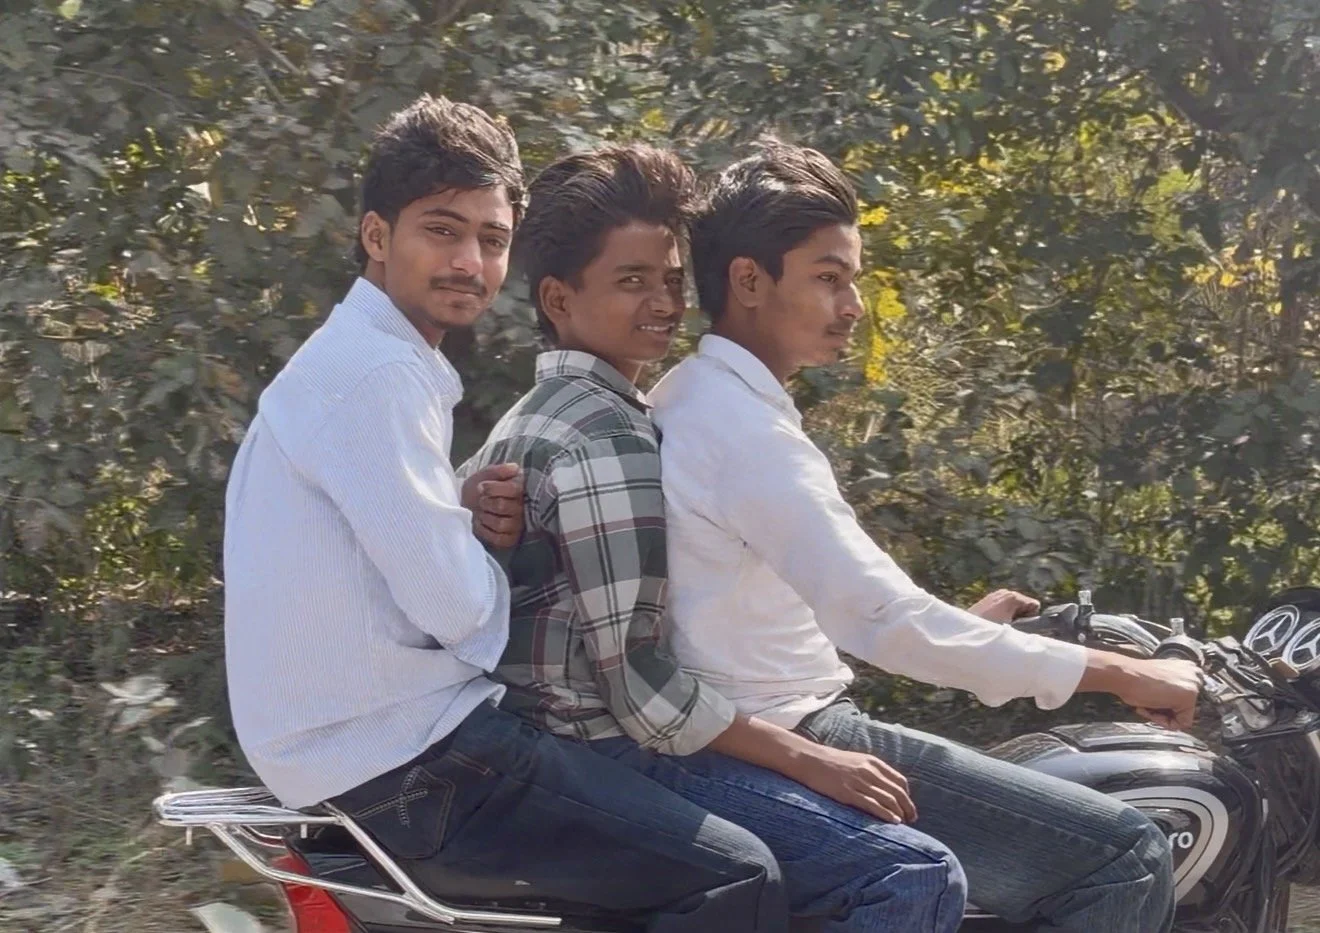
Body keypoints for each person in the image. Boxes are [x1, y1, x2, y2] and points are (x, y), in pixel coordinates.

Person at [222, 95, 791, 932]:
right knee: (740, 873)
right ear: (378, 237)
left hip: (356, 750)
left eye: (490, 239)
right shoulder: (376, 377)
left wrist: (455, 510)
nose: (469, 261)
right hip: (410, 761)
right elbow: (460, 609)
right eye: (441, 231)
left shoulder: (361, 364)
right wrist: (504, 545)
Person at [647, 138, 1205, 933]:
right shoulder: (742, 431)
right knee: (1127, 856)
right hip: (787, 734)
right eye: (828, 277)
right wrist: (1124, 673)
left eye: (855, 280)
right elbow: (884, 620)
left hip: (750, 721)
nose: (854, 306)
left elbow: (786, 605)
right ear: (748, 281)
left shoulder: (697, 396)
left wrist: (968, 633)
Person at [461, 143, 965, 933]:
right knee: (912, 872)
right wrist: (811, 758)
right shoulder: (608, 437)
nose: (663, 304)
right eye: (633, 282)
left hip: (556, 747)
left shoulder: (534, 417)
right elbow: (642, 692)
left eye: (669, 280)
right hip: (610, 752)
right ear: (558, 297)